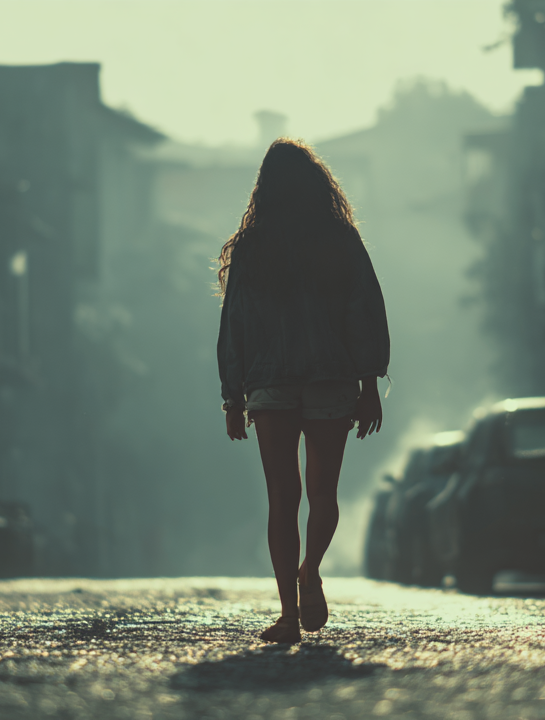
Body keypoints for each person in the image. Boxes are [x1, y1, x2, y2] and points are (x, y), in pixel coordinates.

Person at [216, 139, 389, 644]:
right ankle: (310, 570)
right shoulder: (340, 239)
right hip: (331, 378)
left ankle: (288, 616)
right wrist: (370, 383)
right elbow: (365, 311)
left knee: (281, 498)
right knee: (322, 494)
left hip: (267, 383)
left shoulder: (252, 246)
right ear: (318, 183)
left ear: (264, 187)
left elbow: (236, 325)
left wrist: (232, 397)